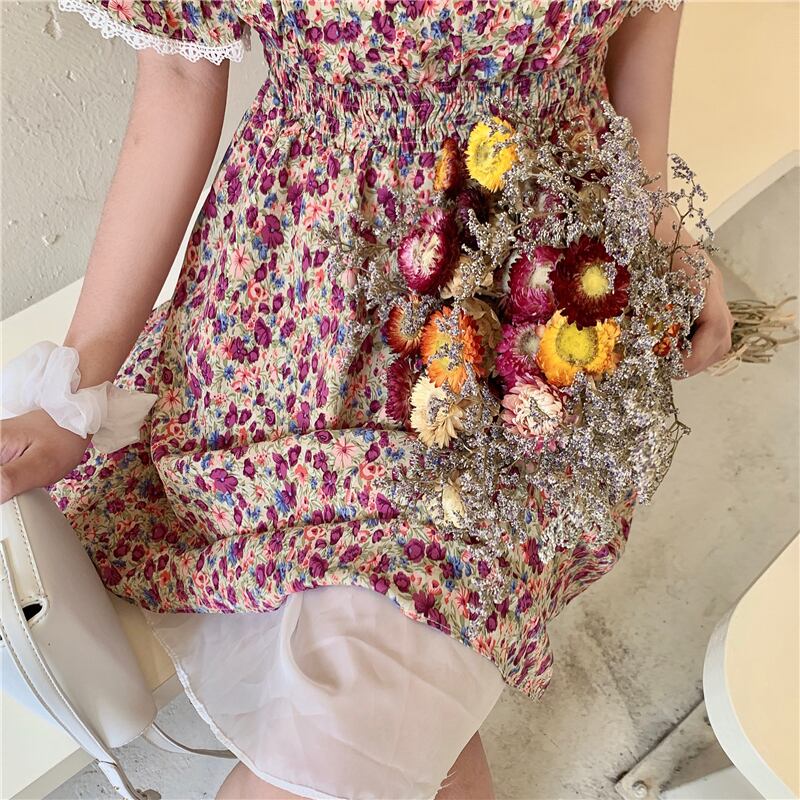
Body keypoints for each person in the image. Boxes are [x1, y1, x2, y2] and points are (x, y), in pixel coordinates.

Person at [0, 1, 733, 798]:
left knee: (404, 682)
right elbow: (178, 76)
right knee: (385, 705)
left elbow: (640, 29)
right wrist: (74, 394)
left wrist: (659, 232)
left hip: (536, 312)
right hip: (303, 314)